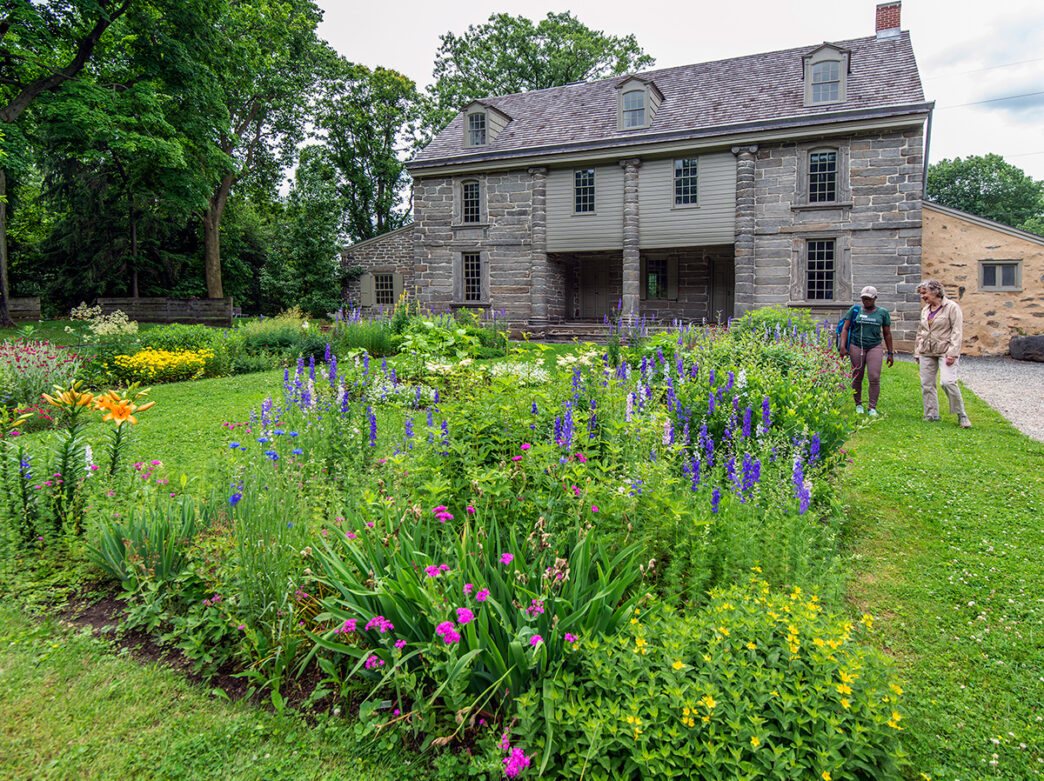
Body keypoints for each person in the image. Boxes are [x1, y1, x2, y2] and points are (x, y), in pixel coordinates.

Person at [914, 279, 971, 428]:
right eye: (921, 294)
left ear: (935, 291)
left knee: (947, 382)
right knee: (926, 384)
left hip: (945, 350)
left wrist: (952, 353)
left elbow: (957, 331)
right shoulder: (925, 310)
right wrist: (917, 351)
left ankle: (962, 415)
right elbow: (921, 331)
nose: (923, 297)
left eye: (924, 293)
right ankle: (931, 414)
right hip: (926, 350)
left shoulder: (952, 307)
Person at [839, 285, 894, 416]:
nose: (866, 301)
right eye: (864, 298)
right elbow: (845, 328)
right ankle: (858, 404)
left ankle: (872, 407)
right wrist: (842, 346)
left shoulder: (882, 313)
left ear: (875, 298)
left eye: (869, 299)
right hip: (856, 345)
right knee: (857, 375)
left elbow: (887, 333)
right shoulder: (855, 310)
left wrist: (890, 353)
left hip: (874, 346)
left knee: (874, 376)